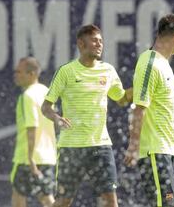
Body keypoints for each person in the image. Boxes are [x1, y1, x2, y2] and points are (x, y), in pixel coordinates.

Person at [41, 24, 132, 207]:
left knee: (111, 201)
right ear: (81, 44)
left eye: (101, 41)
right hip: (71, 148)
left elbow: (121, 99)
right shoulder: (66, 71)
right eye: (94, 40)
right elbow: (46, 107)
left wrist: (140, 88)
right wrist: (57, 118)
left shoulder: (108, 70)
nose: (99, 44)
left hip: (101, 146)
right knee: (63, 201)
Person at [124, 14, 174, 207]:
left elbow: (167, 93)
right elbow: (139, 108)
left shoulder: (162, 63)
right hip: (155, 152)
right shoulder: (149, 63)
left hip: (172, 151)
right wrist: (133, 147)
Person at [11, 57, 56, 207]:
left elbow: (32, 127)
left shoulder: (28, 96)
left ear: (32, 74)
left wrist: (30, 159)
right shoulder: (46, 92)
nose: (15, 75)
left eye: (19, 72)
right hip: (47, 156)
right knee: (46, 198)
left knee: (19, 198)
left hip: (28, 158)